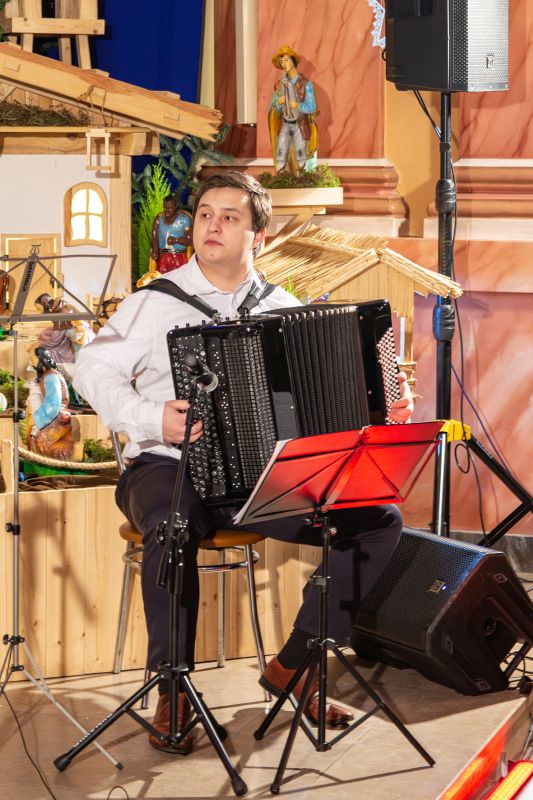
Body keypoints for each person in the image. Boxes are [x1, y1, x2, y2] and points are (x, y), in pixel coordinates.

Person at [73, 171, 413, 756]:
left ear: (259, 234)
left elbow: (324, 404)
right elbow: (91, 368)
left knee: (378, 520)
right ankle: (172, 689)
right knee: (173, 525)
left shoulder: (284, 308)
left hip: (257, 479)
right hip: (166, 465)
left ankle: (296, 665)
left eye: (230, 216)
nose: (212, 225)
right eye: (206, 213)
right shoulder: (154, 301)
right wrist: (152, 417)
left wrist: (385, 408)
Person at [268, 45, 319, 175]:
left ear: (293, 61)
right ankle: (281, 176)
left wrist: (298, 106)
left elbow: (312, 107)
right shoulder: (279, 85)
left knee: (301, 151)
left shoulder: (306, 84)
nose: (284, 64)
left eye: (286, 60)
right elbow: (273, 107)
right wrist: (278, 103)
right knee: (281, 150)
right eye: (281, 62)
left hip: (300, 124)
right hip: (284, 123)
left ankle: (303, 176)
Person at [26, 346, 74, 461]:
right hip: (55, 417)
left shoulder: (51, 377)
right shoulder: (48, 375)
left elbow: (53, 405)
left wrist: (36, 417)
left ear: (41, 359)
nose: (31, 362)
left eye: (33, 359)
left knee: (40, 440)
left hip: (57, 418)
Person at [150, 196, 193, 274]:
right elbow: (154, 236)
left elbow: (190, 240)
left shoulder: (184, 220)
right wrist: (155, 251)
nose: (167, 211)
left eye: (170, 209)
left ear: (176, 207)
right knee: (161, 277)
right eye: (165, 208)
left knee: (178, 277)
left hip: (179, 257)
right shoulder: (159, 219)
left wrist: (176, 240)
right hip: (163, 257)